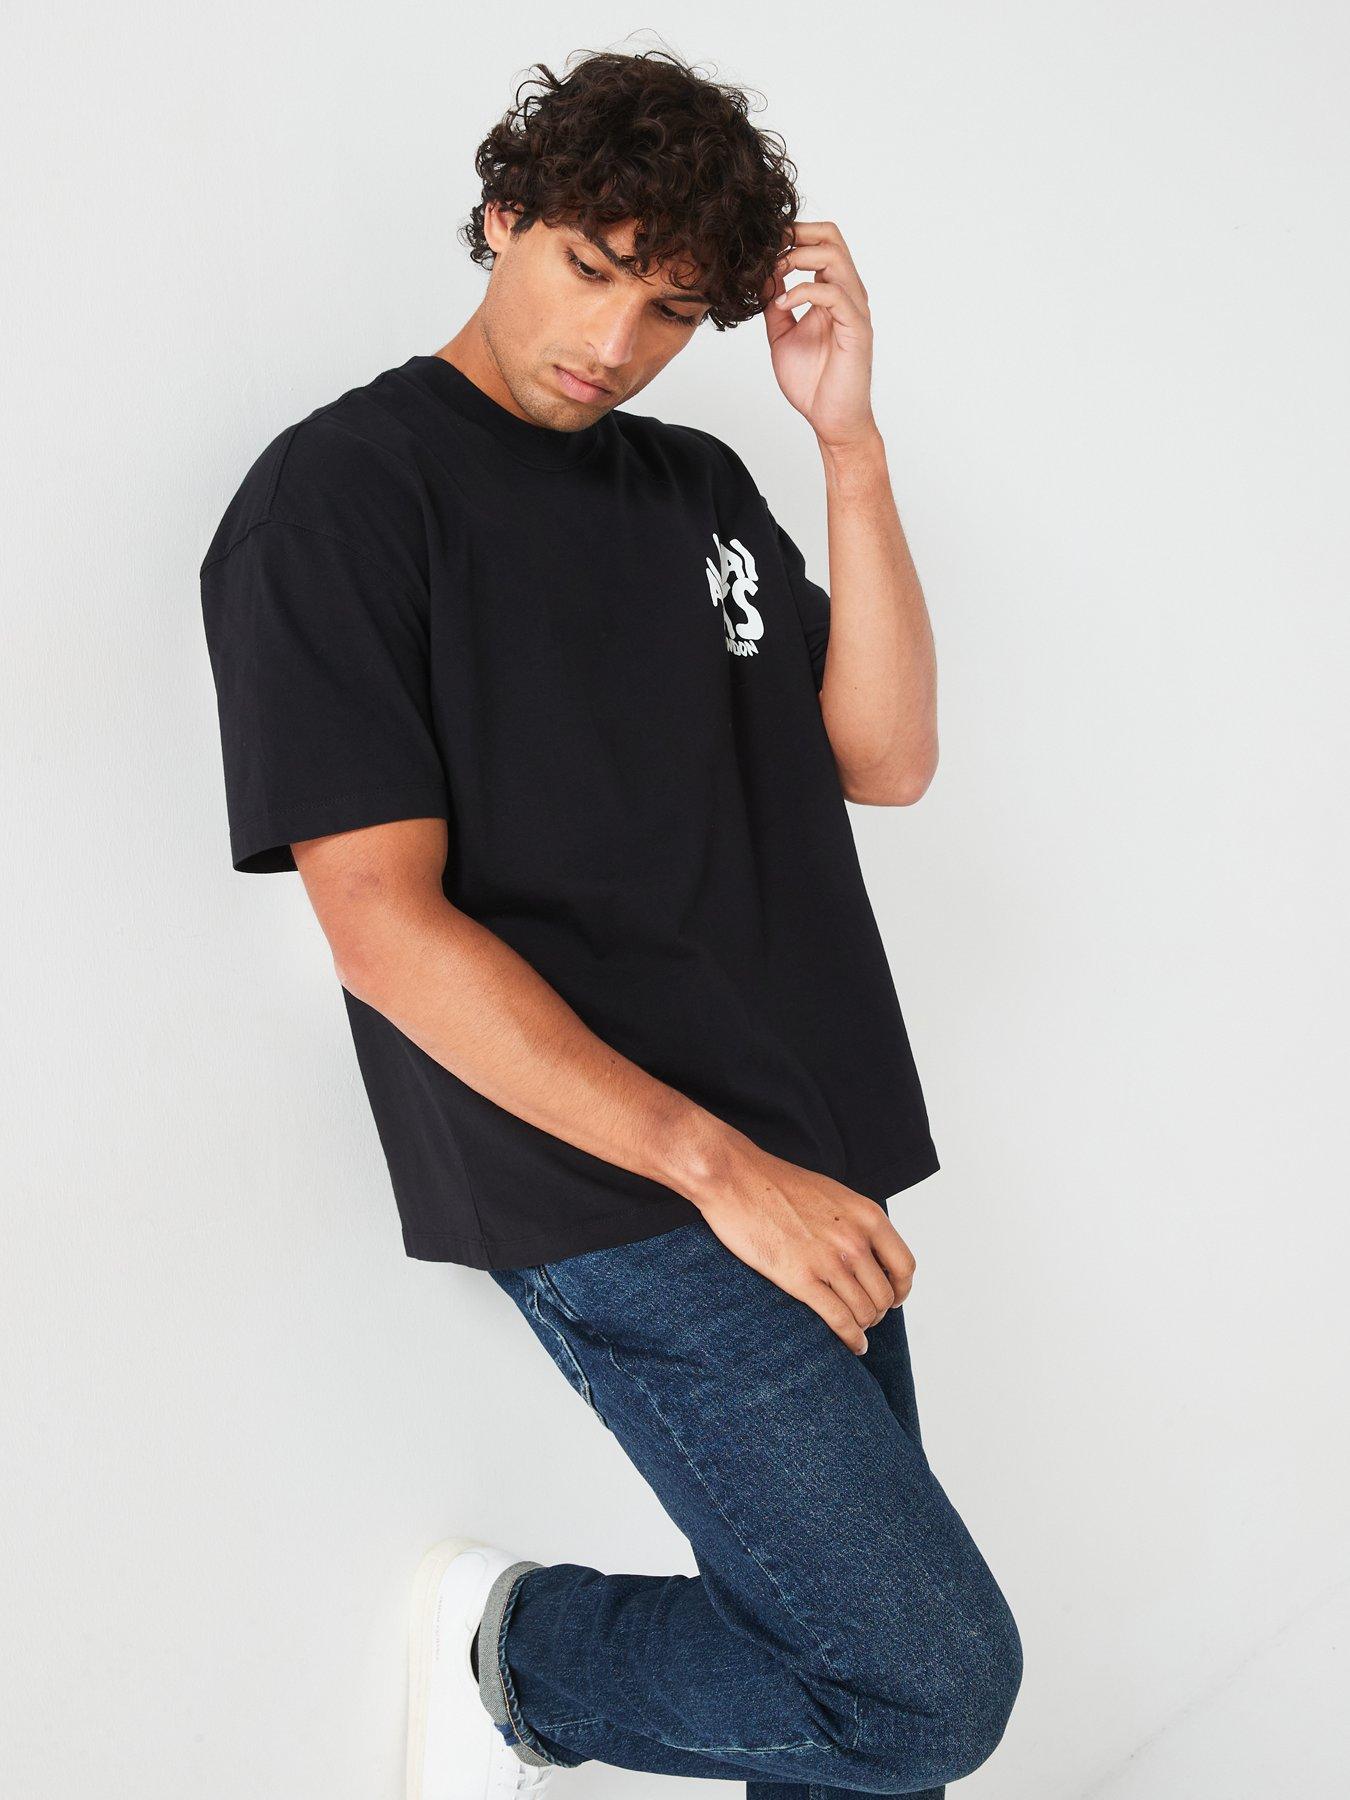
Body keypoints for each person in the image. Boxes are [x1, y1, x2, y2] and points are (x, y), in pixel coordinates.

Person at [199, 45, 1022, 1800]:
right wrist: (714, 1171)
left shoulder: (693, 487)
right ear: (503, 215)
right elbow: (380, 926)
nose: (614, 341)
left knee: (863, 1712)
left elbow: (884, 757)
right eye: (590, 268)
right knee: (917, 1689)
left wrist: (846, 438)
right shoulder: (336, 502)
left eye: (669, 311)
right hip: (612, 1171)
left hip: (795, 1132)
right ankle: (521, 1661)